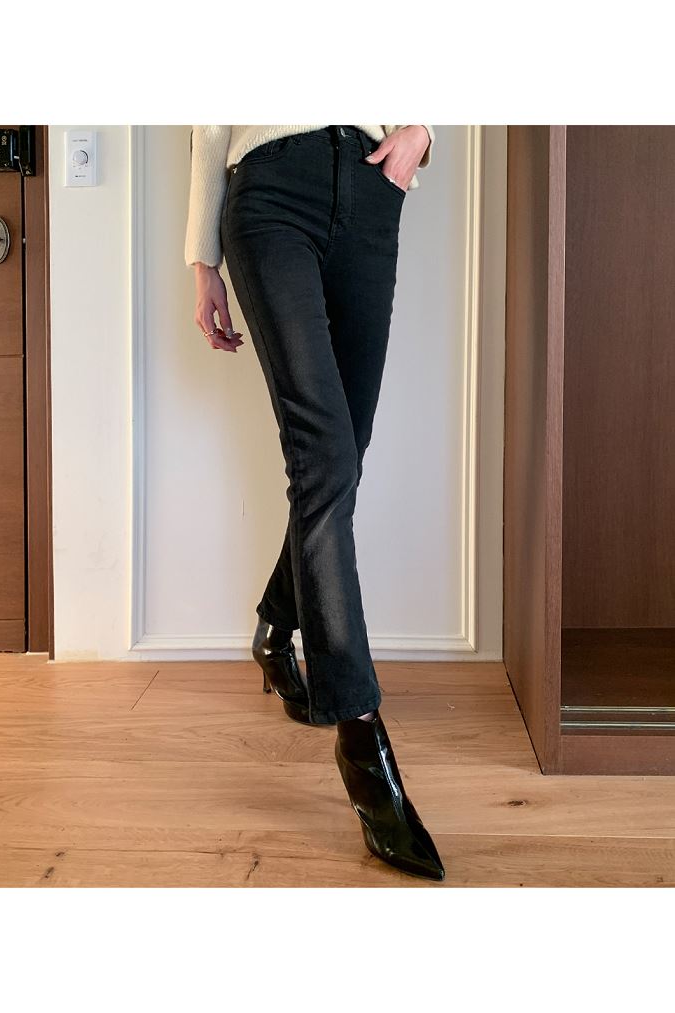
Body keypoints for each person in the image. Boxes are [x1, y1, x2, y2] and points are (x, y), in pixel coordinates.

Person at [185, 124, 445, 882]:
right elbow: (208, 115)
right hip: (270, 194)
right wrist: (203, 259)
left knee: (341, 460)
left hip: (369, 186)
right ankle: (362, 740)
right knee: (324, 457)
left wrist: (424, 128)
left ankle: (277, 622)